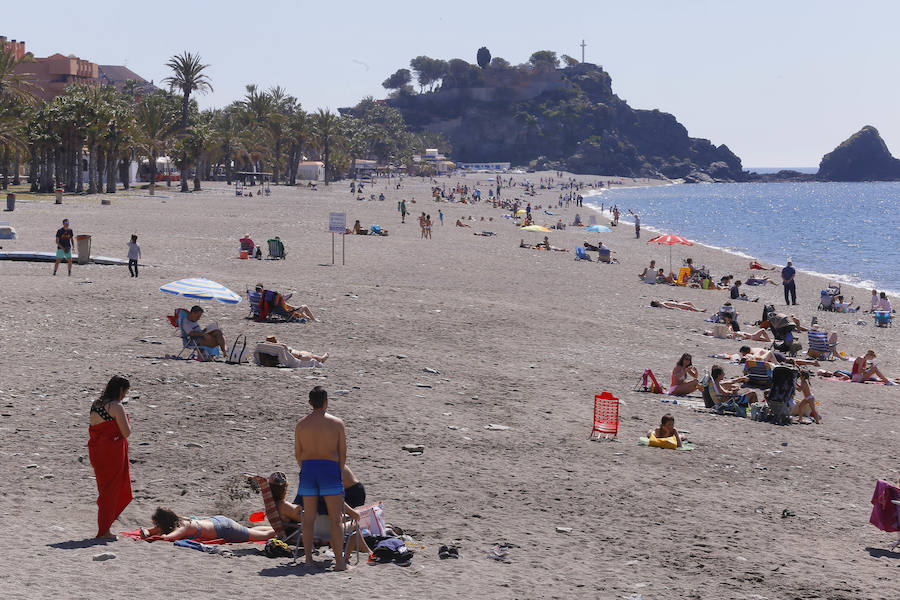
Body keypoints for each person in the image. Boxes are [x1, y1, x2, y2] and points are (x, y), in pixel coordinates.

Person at [295, 386, 349, 570]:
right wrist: (338, 474)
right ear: (326, 401)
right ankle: (340, 563)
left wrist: (306, 469)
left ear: (310, 403)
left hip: (309, 469)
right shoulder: (337, 424)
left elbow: (298, 453)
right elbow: (343, 453)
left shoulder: (301, 424)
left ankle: (308, 560)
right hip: (329, 469)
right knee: (336, 519)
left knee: (308, 518)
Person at [88, 376, 132, 539]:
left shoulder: (96, 404)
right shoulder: (116, 407)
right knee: (111, 491)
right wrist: (126, 417)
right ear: (120, 390)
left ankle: (105, 527)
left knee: (104, 489)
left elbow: (95, 427)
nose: (125, 396)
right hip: (111, 453)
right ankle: (104, 531)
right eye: (125, 392)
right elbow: (126, 432)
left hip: (96, 451)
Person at [139, 507, 274, 542]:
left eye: (157, 524)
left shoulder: (182, 527)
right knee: (249, 531)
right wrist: (147, 532)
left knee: (265, 536)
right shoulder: (178, 520)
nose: (156, 527)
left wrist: (151, 535)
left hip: (225, 529)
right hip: (218, 522)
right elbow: (151, 531)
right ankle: (278, 526)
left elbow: (168, 538)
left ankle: (287, 530)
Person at [263, 335, 328, 366]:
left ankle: (321, 358)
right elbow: (284, 346)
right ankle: (322, 358)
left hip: (299, 356)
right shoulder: (281, 347)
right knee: (313, 356)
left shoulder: (270, 352)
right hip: (301, 357)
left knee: (310, 354)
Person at [738, 345, 819, 367]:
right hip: (774, 354)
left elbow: (757, 356)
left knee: (792, 361)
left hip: (775, 355)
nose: (743, 355)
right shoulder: (753, 349)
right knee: (791, 361)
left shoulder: (753, 351)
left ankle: (812, 362)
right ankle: (812, 362)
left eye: (743, 354)